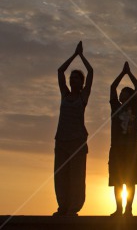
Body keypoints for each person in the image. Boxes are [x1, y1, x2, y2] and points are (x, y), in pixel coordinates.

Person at [54, 41, 93, 216]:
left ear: (81, 82)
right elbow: (60, 71)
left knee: (76, 176)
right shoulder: (65, 94)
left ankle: (73, 208)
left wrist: (81, 56)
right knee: (61, 175)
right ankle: (62, 206)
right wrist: (73, 55)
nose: (72, 80)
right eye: (71, 78)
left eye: (76, 78)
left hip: (77, 140)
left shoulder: (83, 96)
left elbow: (91, 72)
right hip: (61, 140)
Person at [109, 61, 137, 217]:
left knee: (130, 181)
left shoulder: (135, 107)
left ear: (130, 96)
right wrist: (122, 73)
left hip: (131, 150)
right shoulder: (115, 107)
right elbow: (112, 88)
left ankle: (128, 209)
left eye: (125, 92)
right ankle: (118, 209)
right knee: (116, 181)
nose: (122, 94)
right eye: (121, 93)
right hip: (116, 149)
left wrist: (129, 73)